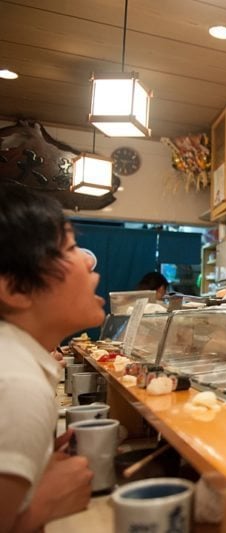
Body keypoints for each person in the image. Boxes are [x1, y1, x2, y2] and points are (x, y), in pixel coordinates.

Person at [0, 184, 99, 531]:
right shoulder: (17, 386)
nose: (89, 260)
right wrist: (41, 506)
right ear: (15, 288)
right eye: (71, 248)